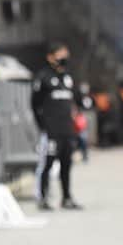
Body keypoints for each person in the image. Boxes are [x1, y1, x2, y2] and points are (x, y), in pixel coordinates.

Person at [32, 42, 83, 211]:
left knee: (66, 164)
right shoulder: (43, 77)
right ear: (50, 57)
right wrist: (43, 126)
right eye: (60, 55)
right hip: (51, 131)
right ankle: (43, 197)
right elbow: (34, 104)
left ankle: (67, 197)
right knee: (47, 164)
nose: (63, 58)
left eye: (65, 55)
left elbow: (78, 100)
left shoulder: (68, 77)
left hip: (67, 130)